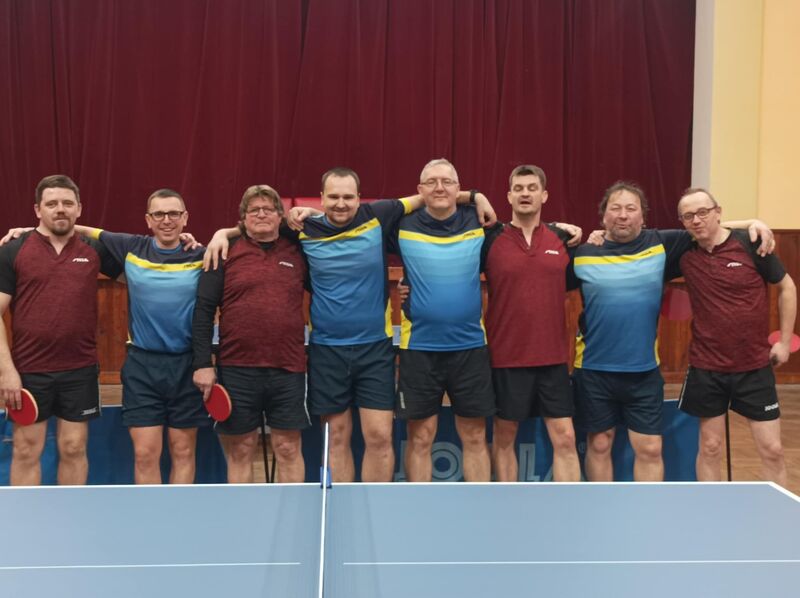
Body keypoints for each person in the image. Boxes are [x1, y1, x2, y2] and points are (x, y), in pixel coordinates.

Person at [205, 168, 496, 482]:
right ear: (321, 199)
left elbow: (430, 195)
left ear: (359, 198)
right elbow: (261, 225)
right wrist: (224, 233)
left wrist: (474, 196)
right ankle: (341, 508)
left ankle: (378, 507)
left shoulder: (379, 216)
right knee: (337, 437)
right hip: (327, 351)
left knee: (379, 436)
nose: (341, 203)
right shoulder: (304, 229)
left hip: (375, 350)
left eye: (347, 197)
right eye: (333, 197)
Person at [575, 181, 774, 482]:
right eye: (615, 208)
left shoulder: (662, 244)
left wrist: (751, 223)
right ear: (603, 216)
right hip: (592, 369)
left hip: (643, 371)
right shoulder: (583, 253)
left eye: (631, 208)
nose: (623, 215)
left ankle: (648, 508)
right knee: (599, 444)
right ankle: (602, 507)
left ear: (643, 216)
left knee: (651, 448)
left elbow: (706, 228)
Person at [77, 189, 207, 484]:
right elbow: (80, 229)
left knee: (183, 450)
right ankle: (152, 513)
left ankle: (177, 512)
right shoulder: (131, 247)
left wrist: (223, 234)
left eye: (173, 213)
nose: (166, 220)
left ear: (185, 218)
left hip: (187, 366)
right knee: (145, 453)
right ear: (148, 219)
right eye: (159, 214)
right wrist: (28, 231)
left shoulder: (201, 255)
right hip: (142, 366)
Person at [0, 175, 121, 485]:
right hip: (29, 371)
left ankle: (71, 514)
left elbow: (143, 268)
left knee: (74, 448)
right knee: (26, 450)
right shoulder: (13, 250)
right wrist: (7, 372)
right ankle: (25, 517)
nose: (60, 209)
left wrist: (184, 242)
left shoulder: (94, 249)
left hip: (80, 370)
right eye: (51, 204)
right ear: (37, 209)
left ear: (79, 208)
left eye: (67, 203)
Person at [676, 188, 796, 486]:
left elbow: (788, 288)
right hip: (707, 367)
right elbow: (635, 237)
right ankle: (711, 509)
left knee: (772, 450)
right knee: (710, 447)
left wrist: (784, 341)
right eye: (688, 216)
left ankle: (774, 510)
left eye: (703, 212)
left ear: (718, 212)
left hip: (754, 366)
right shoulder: (683, 251)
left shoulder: (750, 243)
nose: (696, 220)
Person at [192, 185, 308, 483]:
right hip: (237, 368)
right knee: (241, 449)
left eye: (268, 209)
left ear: (280, 215)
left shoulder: (298, 251)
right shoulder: (223, 252)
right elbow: (203, 311)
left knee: (288, 447)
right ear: (243, 218)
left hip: (288, 367)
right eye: (253, 210)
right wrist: (202, 363)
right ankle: (244, 512)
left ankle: (291, 511)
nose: (261, 214)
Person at [394, 159, 496, 482]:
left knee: (475, 436)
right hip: (419, 349)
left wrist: (476, 197)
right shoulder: (400, 224)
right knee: (421, 437)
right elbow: (350, 219)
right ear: (419, 190)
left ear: (458, 188)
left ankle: (479, 506)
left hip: (470, 347)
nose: (439, 188)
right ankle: (419, 507)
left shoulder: (478, 222)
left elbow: (525, 229)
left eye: (447, 182)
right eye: (431, 182)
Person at [482, 165, 581, 482]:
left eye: (532, 188)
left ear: (544, 195)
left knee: (565, 438)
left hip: (552, 359)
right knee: (504, 438)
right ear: (509, 196)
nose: (525, 193)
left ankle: (568, 506)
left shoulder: (562, 239)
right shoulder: (489, 239)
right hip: (506, 358)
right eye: (519, 188)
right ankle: (508, 506)